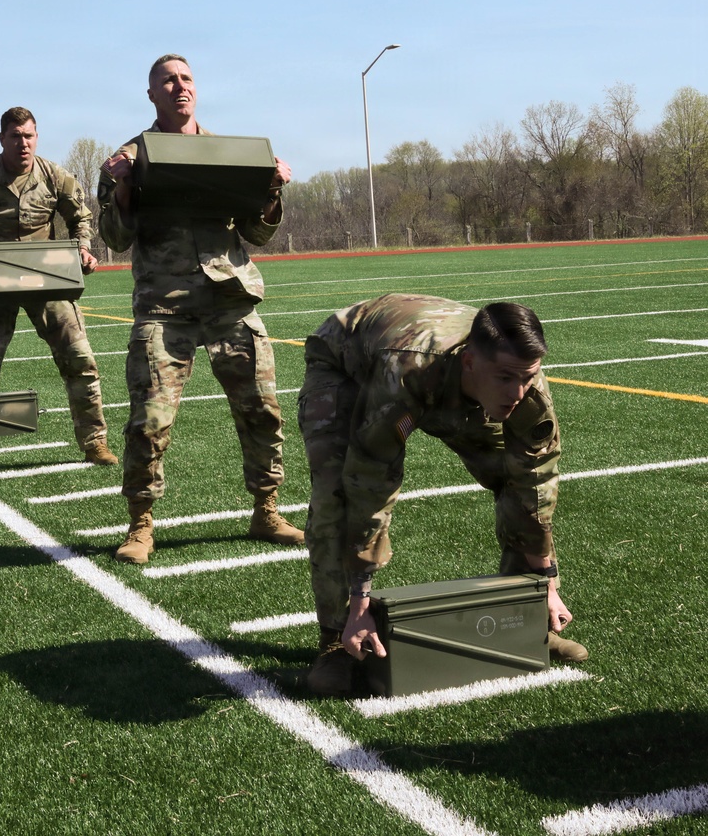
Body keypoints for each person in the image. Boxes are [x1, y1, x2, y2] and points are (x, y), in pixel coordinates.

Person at [298, 293, 588, 697]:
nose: (518, 391)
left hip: (445, 374)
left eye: (527, 377)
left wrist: (547, 584)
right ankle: (335, 641)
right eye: (506, 378)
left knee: (512, 477)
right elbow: (370, 481)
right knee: (336, 496)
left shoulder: (525, 387)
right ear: (470, 361)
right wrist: (360, 598)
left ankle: (527, 615)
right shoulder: (406, 372)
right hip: (348, 361)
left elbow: (534, 487)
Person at [96, 53, 303, 564]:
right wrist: (122, 187)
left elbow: (257, 232)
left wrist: (271, 190)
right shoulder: (126, 158)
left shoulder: (228, 154)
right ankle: (141, 524)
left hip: (230, 300)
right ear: (151, 94)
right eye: (167, 81)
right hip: (164, 306)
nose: (179, 86)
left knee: (262, 412)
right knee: (149, 421)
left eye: (186, 78)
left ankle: (267, 509)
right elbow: (115, 238)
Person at [0, 107, 116, 481]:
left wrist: (83, 250)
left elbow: (81, 219)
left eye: (29, 136)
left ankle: (95, 442)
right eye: (16, 136)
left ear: (37, 137)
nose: (23, 143)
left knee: (80, 359)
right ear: (2, 138)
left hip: (45, 276)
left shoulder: (55, 176)